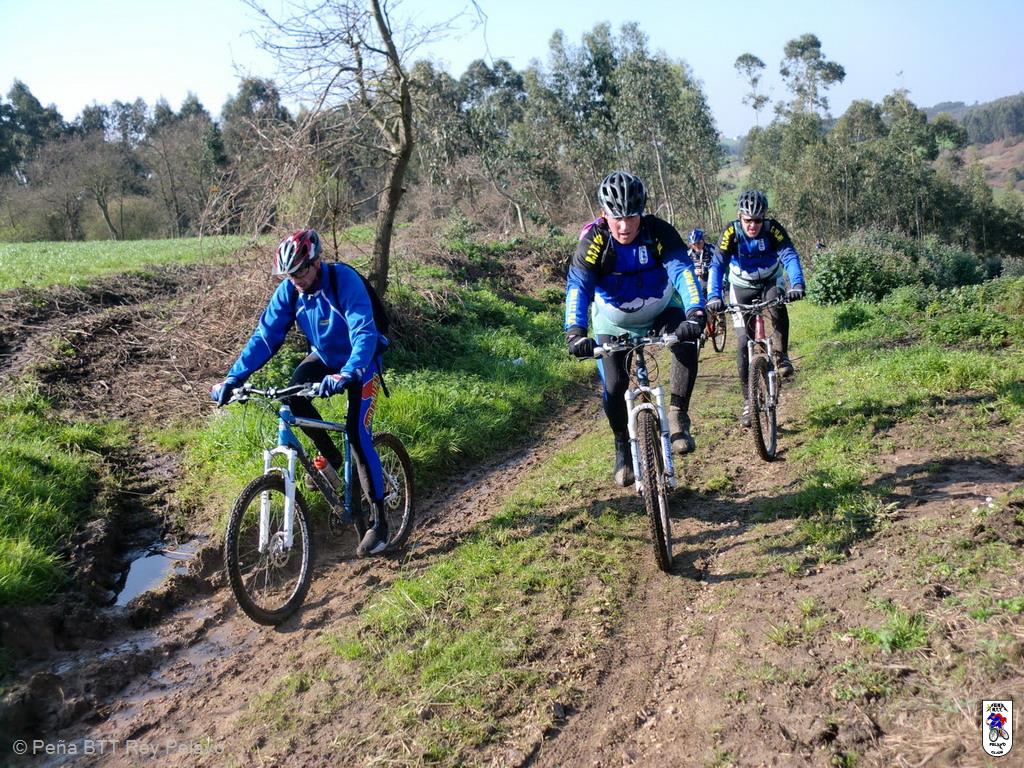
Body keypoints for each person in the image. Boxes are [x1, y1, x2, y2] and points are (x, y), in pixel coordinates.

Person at [210, 228, 391, 557]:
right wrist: (233, 378)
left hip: (361, 362)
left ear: (316, 262)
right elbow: (265, 337)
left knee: (356, 432)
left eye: (300, 272)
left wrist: (349, 371)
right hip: (325, 357)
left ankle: (380, 523)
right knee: (293, 395)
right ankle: (333, 462)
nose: (295, 279)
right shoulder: (290, 292)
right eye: (289, 274)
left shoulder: (343, 281)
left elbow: (363, 330)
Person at [565, 171, 706, 486]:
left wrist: (696, 310)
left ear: (642, 212)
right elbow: (578, 287)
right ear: (604, 214)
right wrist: (575, 331)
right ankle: (622, 446)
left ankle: (678, 414)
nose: (624, 226)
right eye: (617, 217)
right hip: (612, 320)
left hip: (661, 309)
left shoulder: (658, 231)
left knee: (686, 340)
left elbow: (682, 271)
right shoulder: (594, 241)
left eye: (631, 216)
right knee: (614, 387)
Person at [705, 190, 806, 427]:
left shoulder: (773, 229)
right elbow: (717, 264)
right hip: (741, 285)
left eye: (757, 220)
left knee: (777, 305)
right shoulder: (731, 232)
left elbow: (789, 255)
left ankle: (781, 355)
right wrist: (713, 296)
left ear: (764, 218)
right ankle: (748, 401)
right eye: (748, 220)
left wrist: (797, 283)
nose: (753, 225)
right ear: (740, 217)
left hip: (770, 280)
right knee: (743, 342)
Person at [686, 228, 715, 296]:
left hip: (712, 280)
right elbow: (685, 268)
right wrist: (694, 271)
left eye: (698, 243)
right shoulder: (688, 254)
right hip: (696, 283)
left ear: (703, 240)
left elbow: (719, 263)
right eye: (693, 244)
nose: (696, 246)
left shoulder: (711, 249)